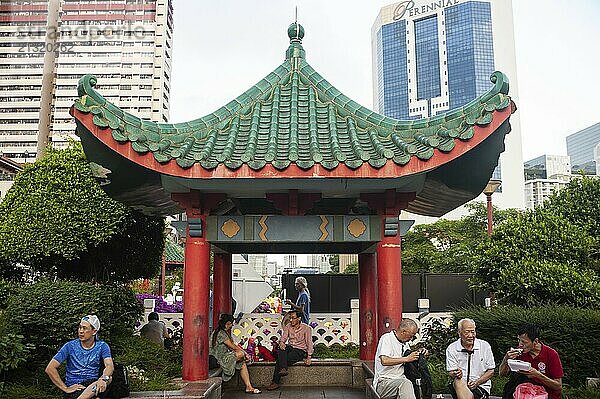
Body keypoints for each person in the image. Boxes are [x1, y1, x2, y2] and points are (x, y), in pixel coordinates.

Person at [46, 315, 114, 399]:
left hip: (94, 385)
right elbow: (50, 368)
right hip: (75, 387)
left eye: (85, 328)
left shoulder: (102, 346)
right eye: (80, 327)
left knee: (108, 378)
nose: (81, 331)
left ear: (94, 331)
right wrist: (65, 388)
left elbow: (109, 365)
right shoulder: (69, 346)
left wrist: (103, 379)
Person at [499, 323, 563, 399]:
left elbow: (558, 386)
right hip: (523, 393)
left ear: (535, 341)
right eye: (519, 340)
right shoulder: (519, 353)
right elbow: (502, 374)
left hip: (546, 395)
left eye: (524, 342)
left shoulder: (551, 354)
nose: (520, 344)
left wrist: (537, 375)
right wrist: (506, 359)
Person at [209, 313, 261, 394]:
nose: (232, 325)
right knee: (241, 353)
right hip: (219, 359)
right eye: (231, 323)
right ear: (227, 323)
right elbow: (233, 346)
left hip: (224, 357)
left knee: (242, 363)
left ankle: (249, 387)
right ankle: (246, 359)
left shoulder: (223, 332)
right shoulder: (221, 333)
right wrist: (245, 354)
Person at [446, 318, 495, 399]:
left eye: (473, 332)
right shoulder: (452, 348)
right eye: (467, 332)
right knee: (458, 381)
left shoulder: (484, 346)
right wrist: (456, 373)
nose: (471, 335)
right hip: (460, 387)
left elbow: (491, 371)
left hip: (480, 386)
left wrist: (477, 382)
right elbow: (451, 372)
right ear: (459, 333)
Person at [266, 309, 313, 391]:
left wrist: (309, 357)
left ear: (299, 318)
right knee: (281, 347)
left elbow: (309, 342)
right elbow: (283, 338)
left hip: (300, 350)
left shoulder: (306, 328)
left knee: (281, 359)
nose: (291, 320)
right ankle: (283, 369)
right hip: (290, 348)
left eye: (293, 318)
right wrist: (281, 343)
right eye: (290, 318)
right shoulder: (288, 326)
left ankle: (275, 382)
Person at [372, 318, 420, 399]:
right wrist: (406, 359)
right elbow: (384, 360)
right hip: (384, 382)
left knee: (410, 384)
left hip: (400, 379)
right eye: (411, 335)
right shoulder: (387, 338)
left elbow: (409, 358)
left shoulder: (405, 343)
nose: (411, 339)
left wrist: (419, 354)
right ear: (403, 331)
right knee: (405, 384)